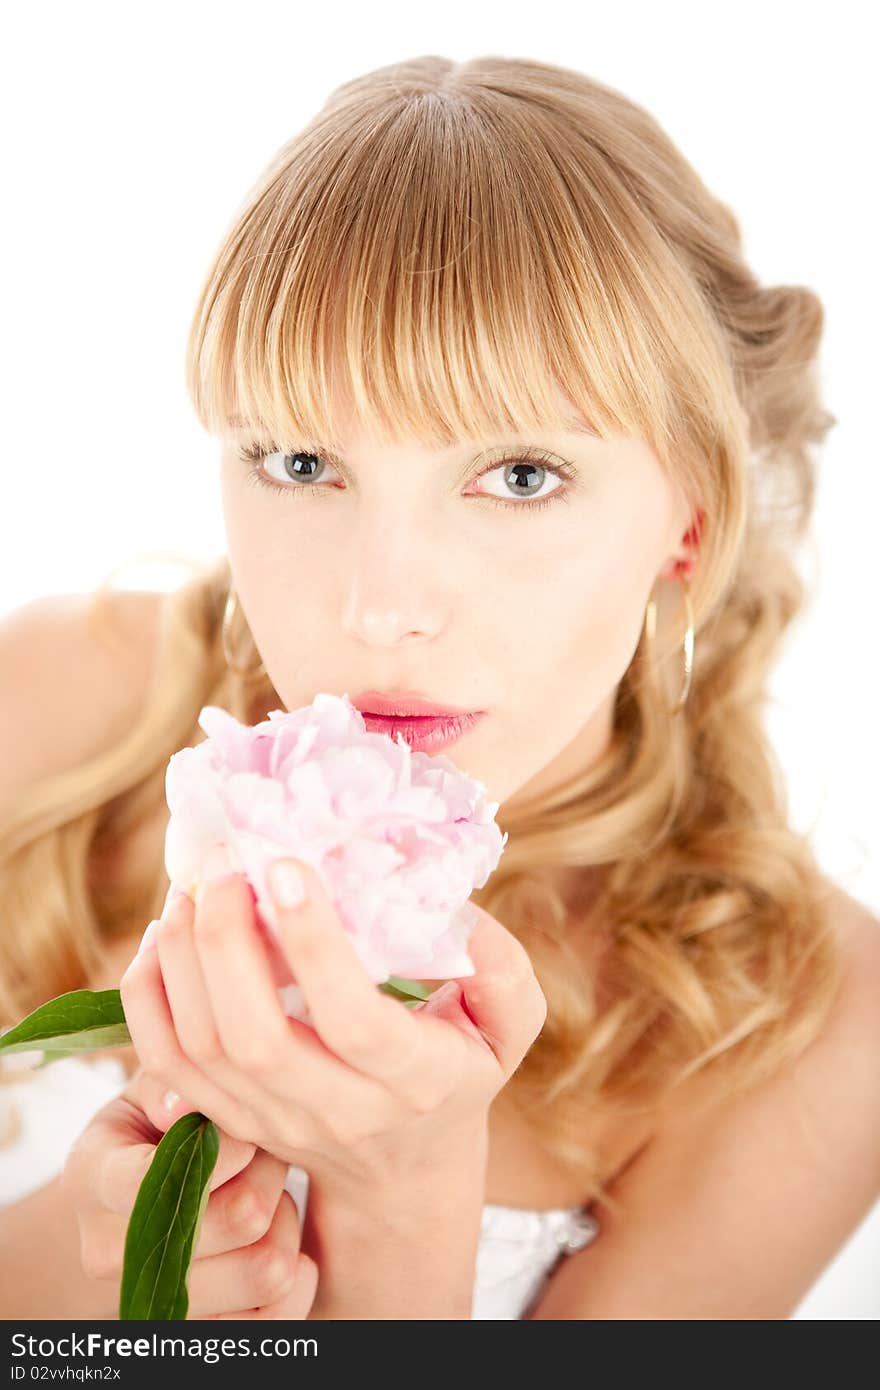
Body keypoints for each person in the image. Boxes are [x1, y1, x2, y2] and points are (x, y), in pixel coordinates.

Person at [2, 52, 879, 1321]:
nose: (378, 607)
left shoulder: (811, 1022)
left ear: (688, 521)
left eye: (518, 475)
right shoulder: (58, 710)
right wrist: (83, 1281)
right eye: (301, 460)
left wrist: (402, 1197)